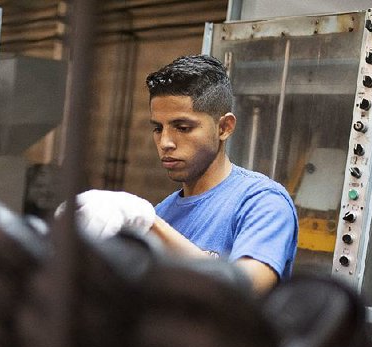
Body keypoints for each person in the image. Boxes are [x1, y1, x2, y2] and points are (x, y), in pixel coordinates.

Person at [65, 54, 297, 294]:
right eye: (157, 128)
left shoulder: (262, 202)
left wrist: (147, 222)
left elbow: (242, 292)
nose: (165, 142)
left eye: (183, 128)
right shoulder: (163, 213)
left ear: (224, 127)